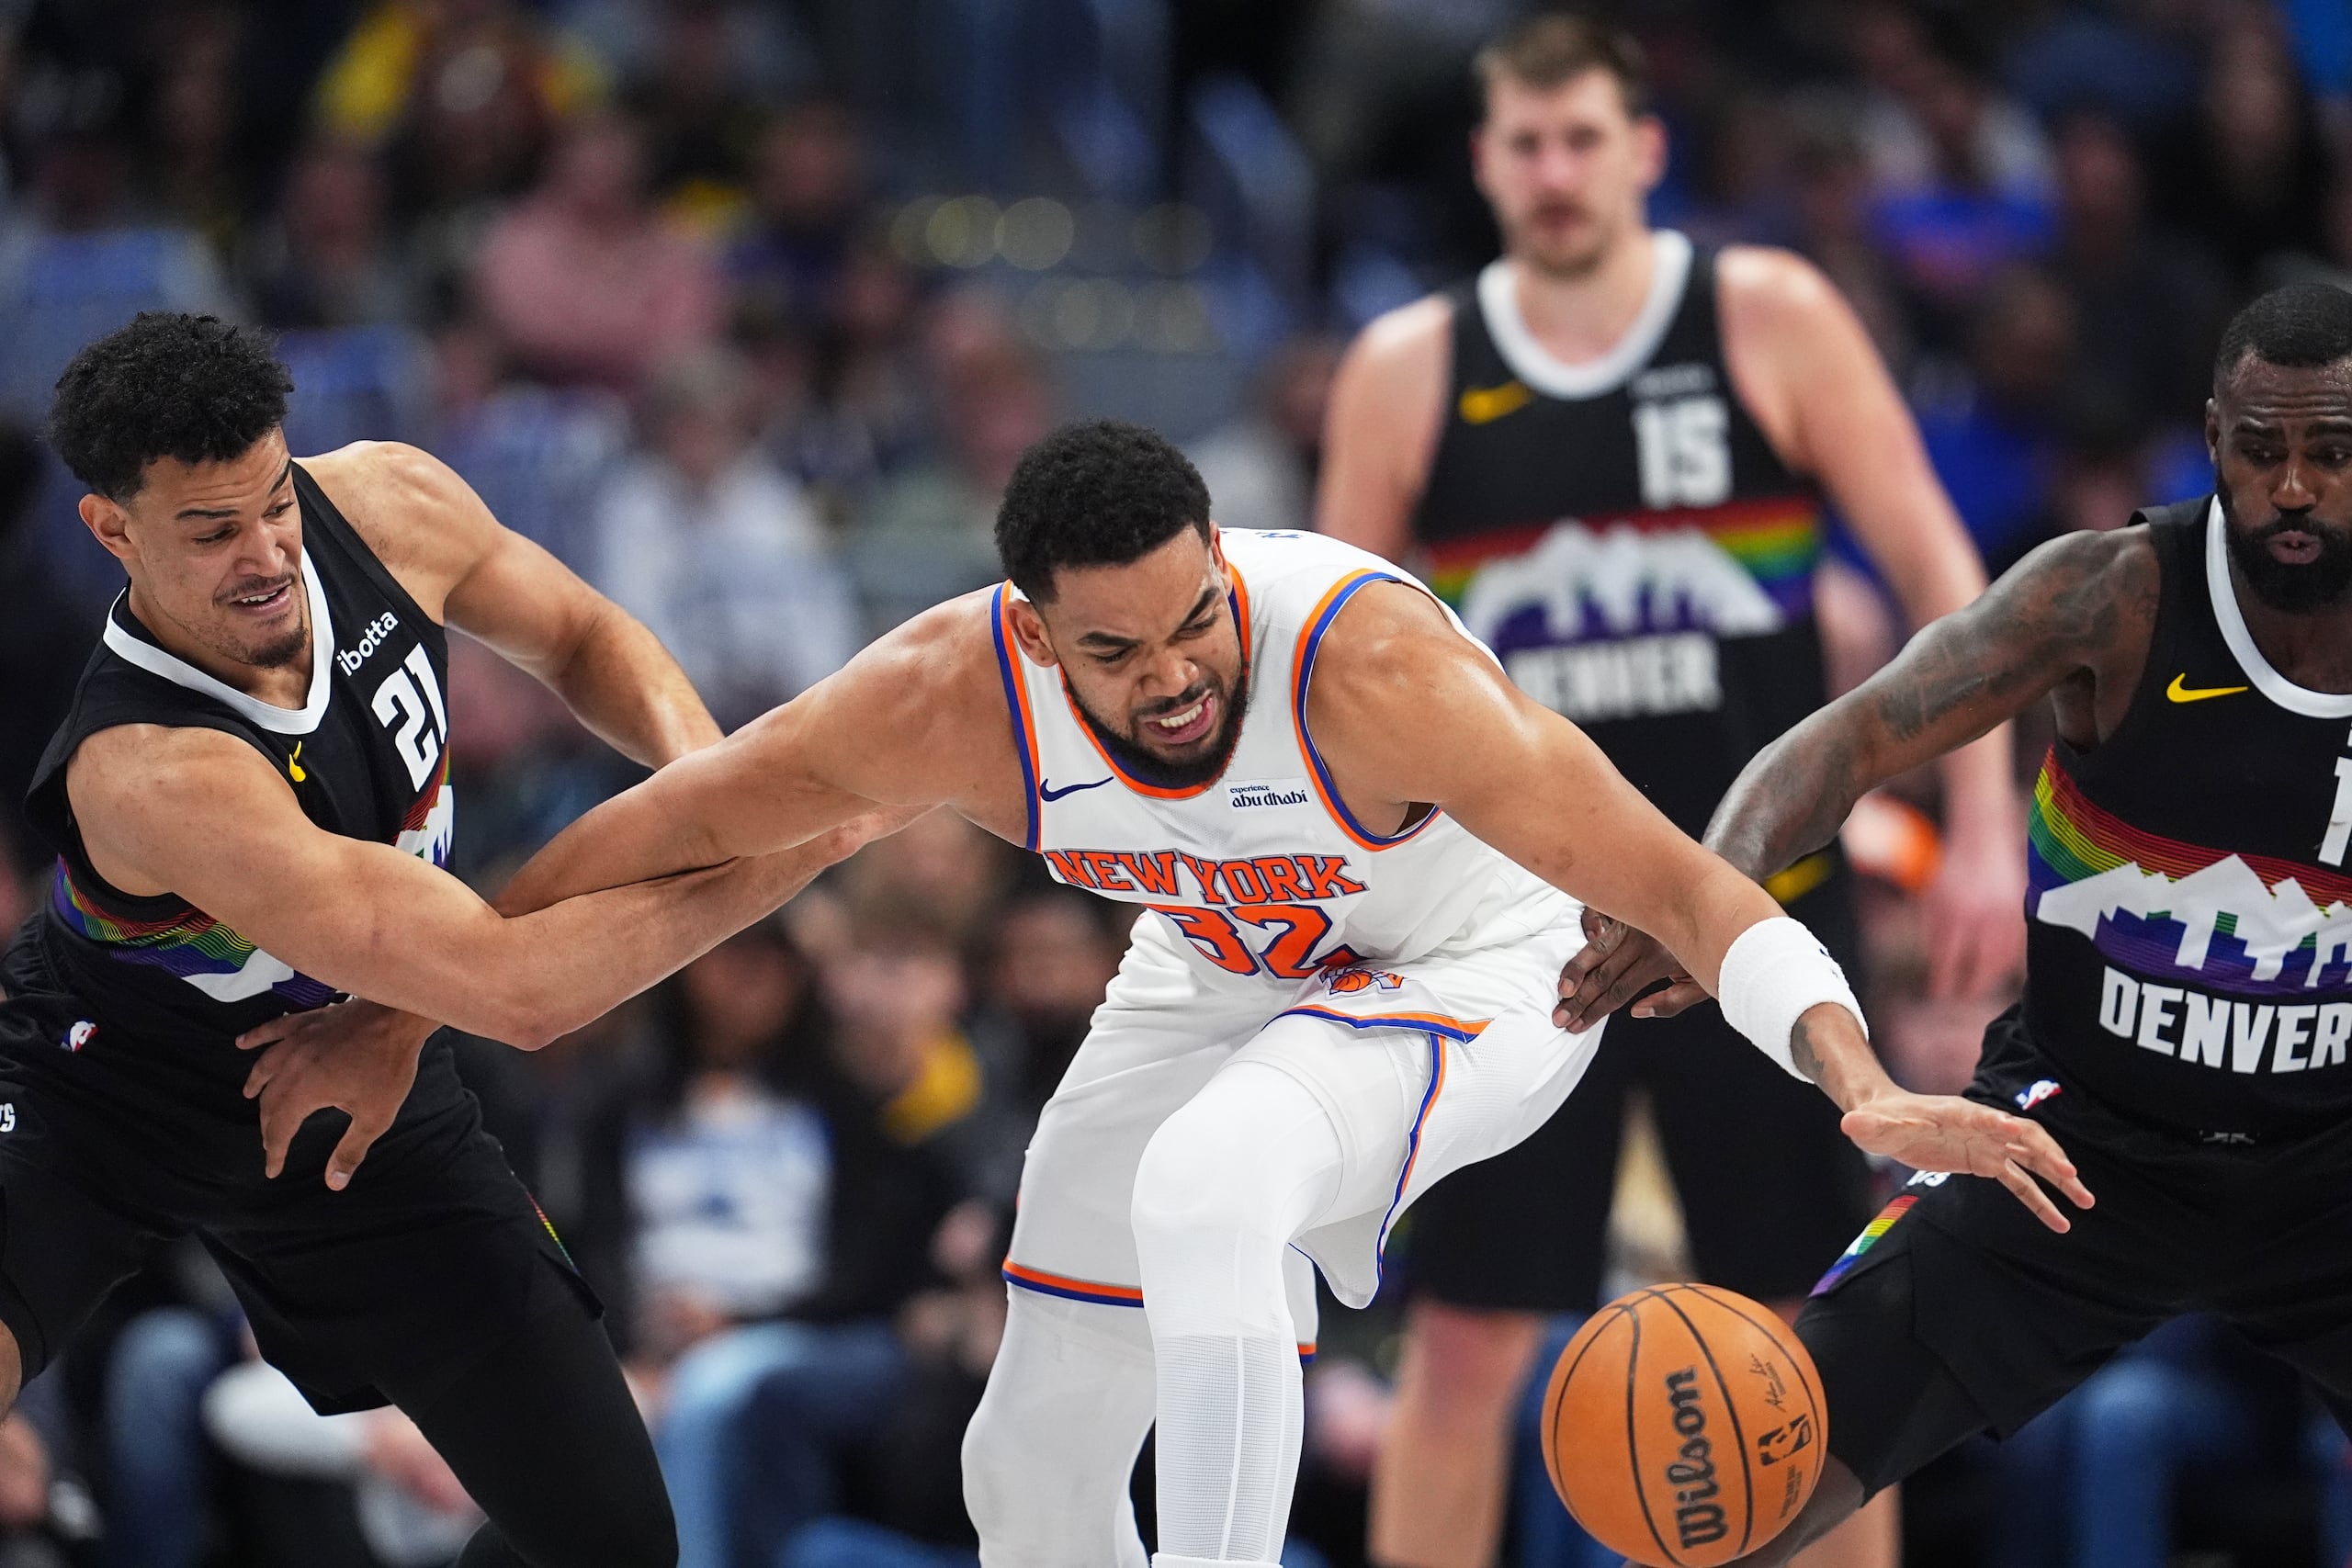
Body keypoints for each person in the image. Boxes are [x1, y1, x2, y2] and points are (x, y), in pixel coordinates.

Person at [447, 416, 2083, 1568]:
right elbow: (672, 821)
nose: (1173, 677)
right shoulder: (946, 697)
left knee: (1212, 1180)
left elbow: (1689, 889)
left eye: (1194, 622)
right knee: (1026, 1478)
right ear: (1038, 641)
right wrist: (423, 988)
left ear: (1225, 563)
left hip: (1482, 966)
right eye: (1117, 654)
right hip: (1215, 965)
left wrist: (1860, 1079)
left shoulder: (1371, 668)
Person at [0, 312, 889, 1568]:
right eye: (210, 531)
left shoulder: (388, 505)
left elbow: (582, 635)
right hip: (102, 1092)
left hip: (357, 1070)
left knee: (612, 1548)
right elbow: (519, 993)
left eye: (274, 502)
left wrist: (724, 793)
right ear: (113, 530)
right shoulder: (154, 770)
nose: (265, 554)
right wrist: (801, 840)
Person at [1313, 17, 2019, 1566]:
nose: (1556, 172)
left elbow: (1948, 592)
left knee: (1808, 1342)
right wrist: (1342, 908)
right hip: (1518, 934)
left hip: (1753, 912)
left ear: (1643, 149)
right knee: (1465, 1339)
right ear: (1486, 162)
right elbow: (1329, 672)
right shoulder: (1408, 368)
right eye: (1527, 144)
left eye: (1583, 139)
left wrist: (1983, 829)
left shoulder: (1768, 314)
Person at [1558, 281, 2352, 1562]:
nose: (2297, 487)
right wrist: (1709, 889)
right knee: (1748, 1482)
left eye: (2333, 452)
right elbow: (1850, 738)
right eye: (2264, 451)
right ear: (2213, 439)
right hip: (2072, 1145)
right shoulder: (2110, 597)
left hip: (2332, 1163)